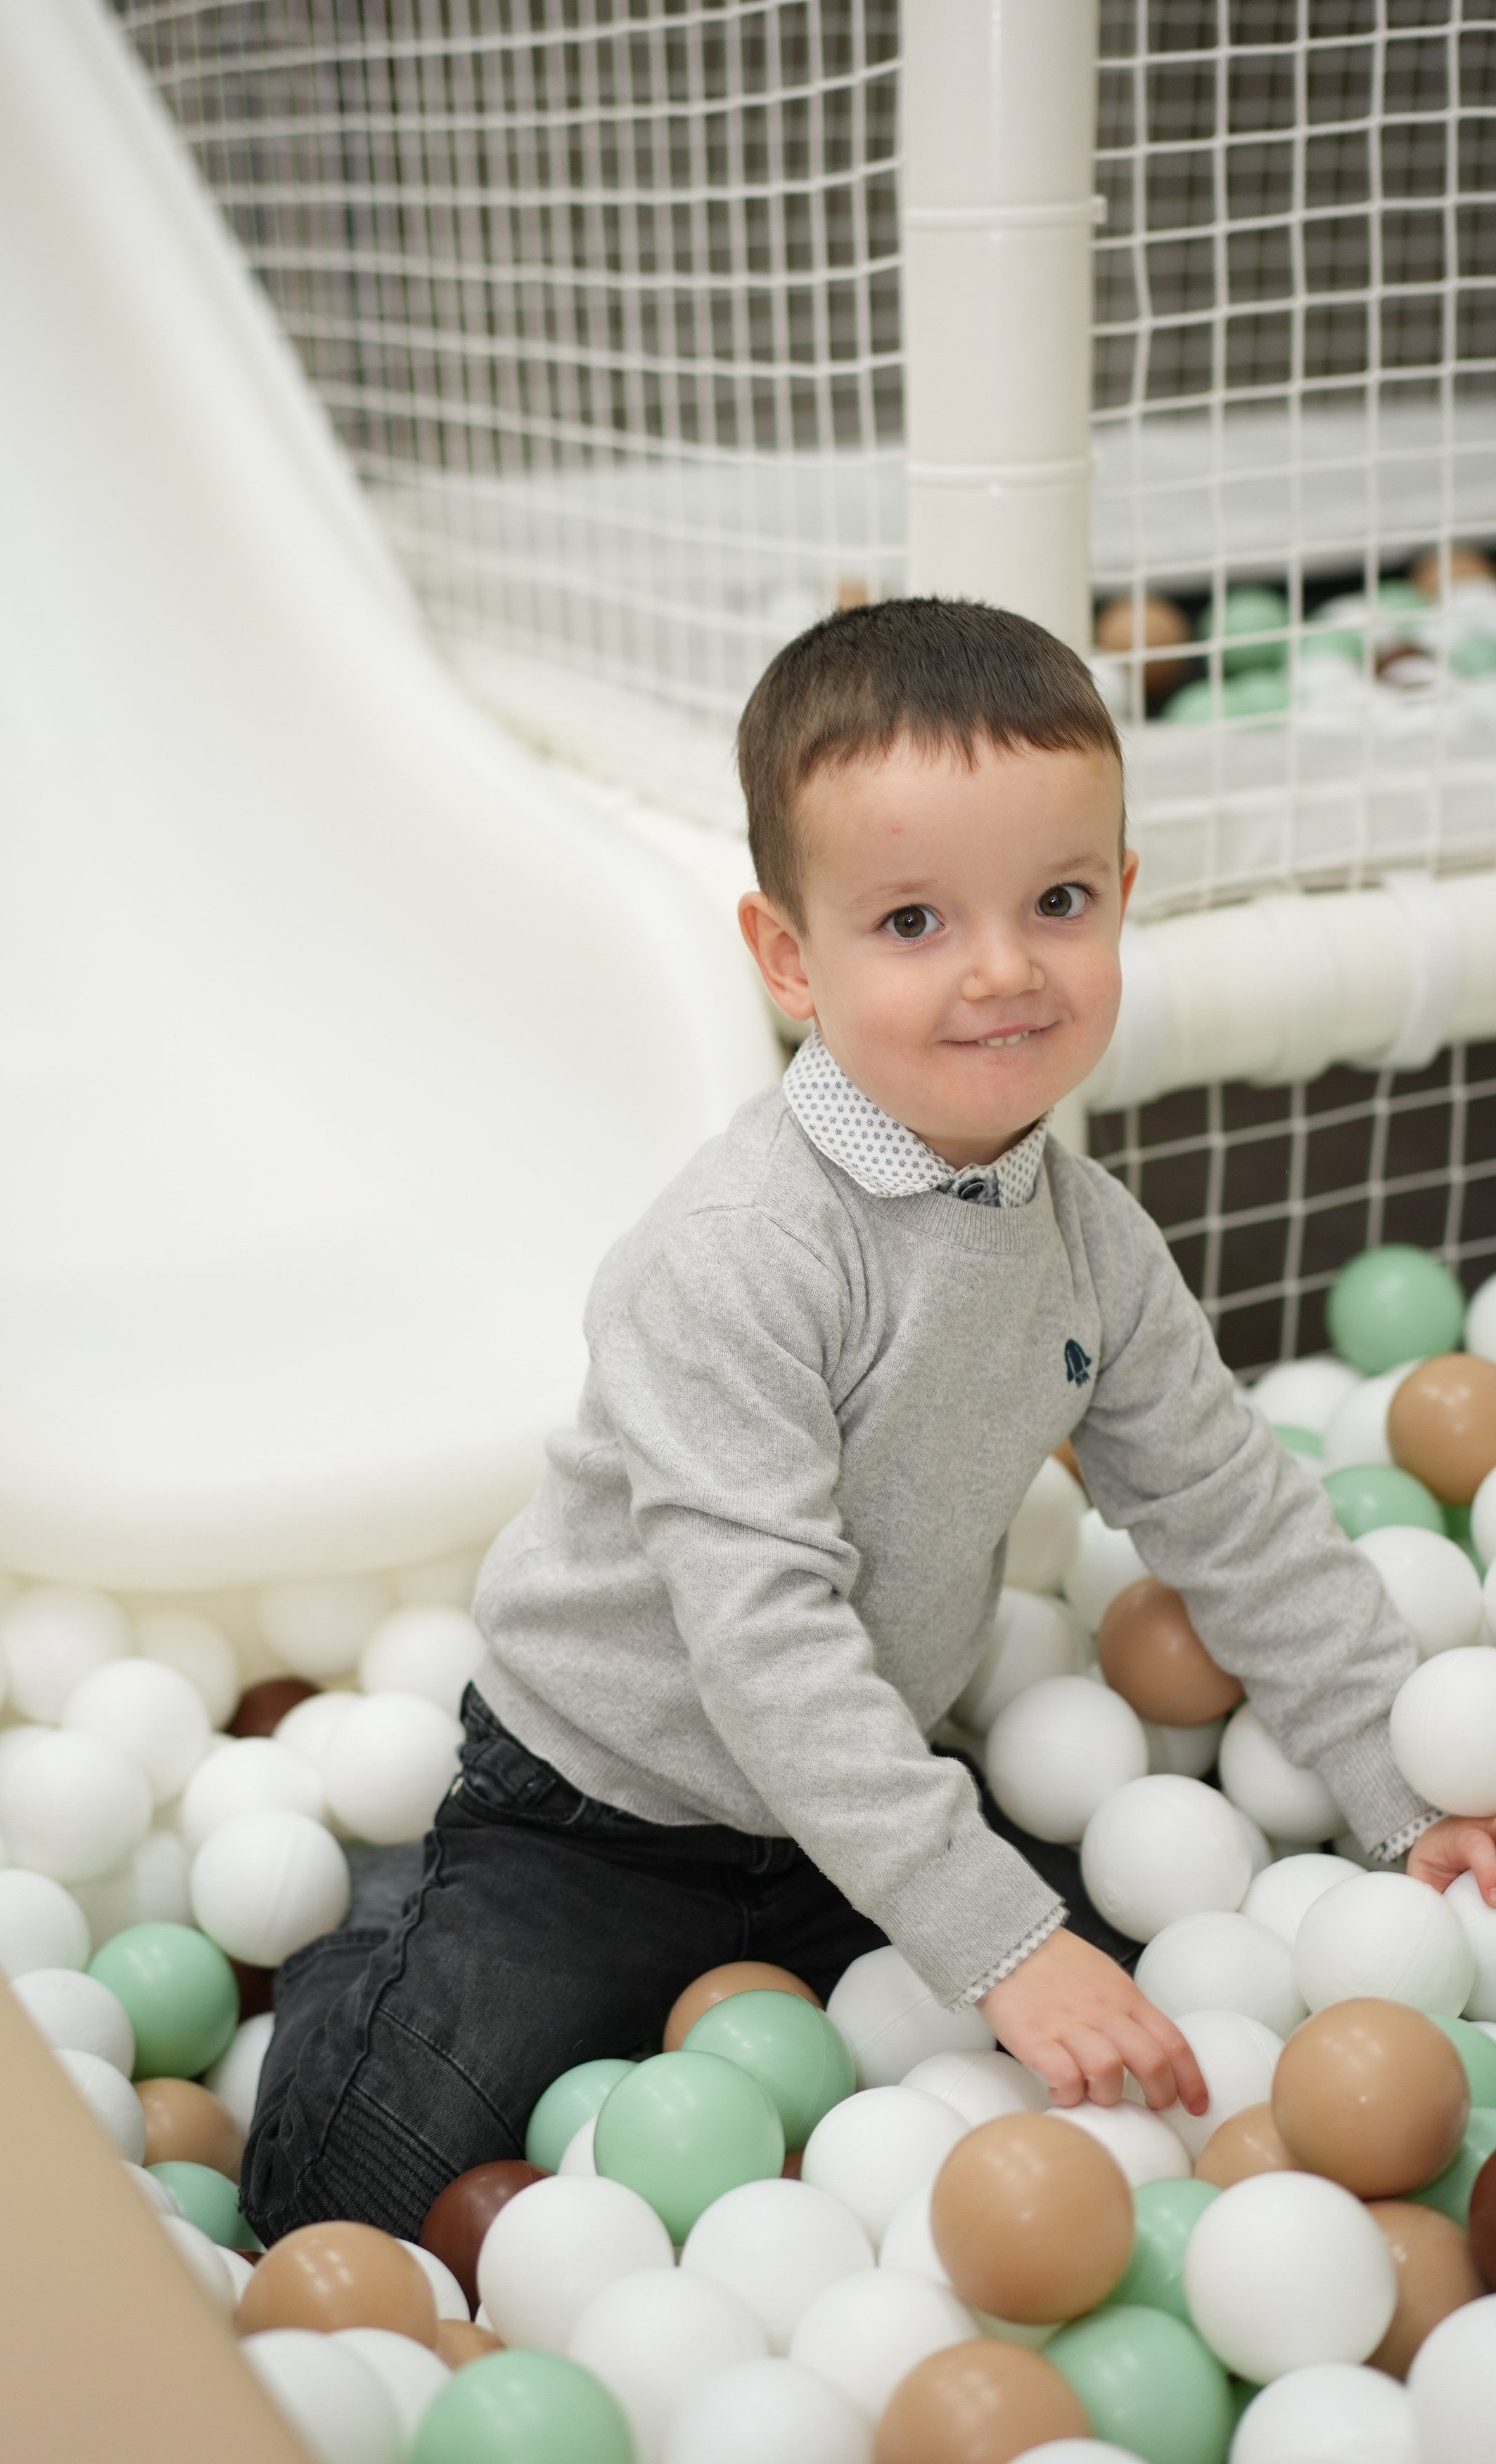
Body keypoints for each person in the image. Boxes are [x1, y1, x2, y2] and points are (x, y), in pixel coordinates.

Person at [241, 597, 1496, 2244]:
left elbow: (1228, 1508)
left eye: (1056, 902)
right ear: (787, 957)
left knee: (1143, 2045)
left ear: (1125, 902)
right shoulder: (740, 1257)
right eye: (911, 920)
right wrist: (992, 1939)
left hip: (867, 1801)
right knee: (353, 2185)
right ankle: (384, 1931)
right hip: (606, 1810)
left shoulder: (1086, 1239)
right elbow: (760, 1644)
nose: (1000, 969)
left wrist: (1404, 1793)